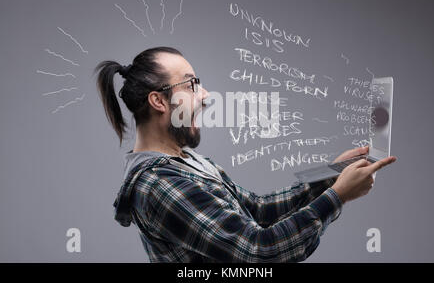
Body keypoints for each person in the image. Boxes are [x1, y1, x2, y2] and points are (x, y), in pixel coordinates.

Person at [94, 46, 397, 262]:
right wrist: (338, 196)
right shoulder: (160, 185)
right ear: (159, 101)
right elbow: (260, 251)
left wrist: (333, 175)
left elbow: (259, 212)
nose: (206, 95)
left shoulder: (189, 164)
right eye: (191, 84)